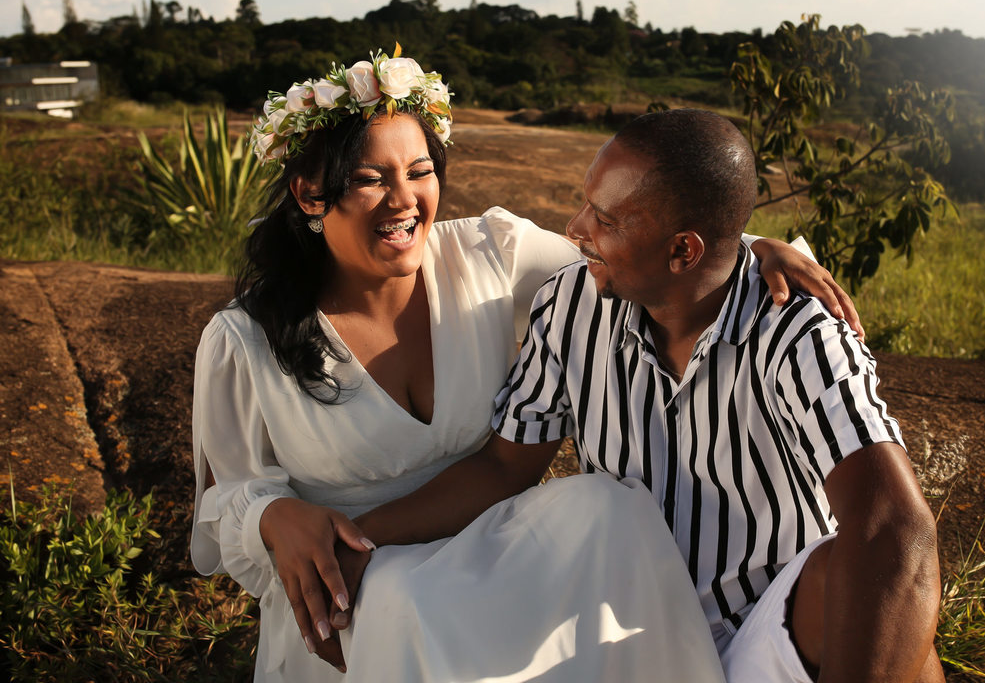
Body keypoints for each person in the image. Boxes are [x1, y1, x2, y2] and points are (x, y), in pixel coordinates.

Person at [189, 51, 861, 682]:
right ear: (309, 195)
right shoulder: (244, 342)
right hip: (348, 607)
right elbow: (221, 513)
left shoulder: (491, 257)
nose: (404, 201)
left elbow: (635, 251)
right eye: (369, 179)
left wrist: (747, 243)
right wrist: (272, 516)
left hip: (486, 588)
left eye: (420, 171)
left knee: (606, 507)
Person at [355, 109, 944, 682]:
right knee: (421, 606)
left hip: (763, 628)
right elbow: (503, 467)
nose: (576, 229)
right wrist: (354, 536)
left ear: (683, 251)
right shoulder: (570, 305)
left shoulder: (795, 331)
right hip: (622, 626)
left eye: (605, 219)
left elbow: (894, 526)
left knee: (868, 582)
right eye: (587, 202)